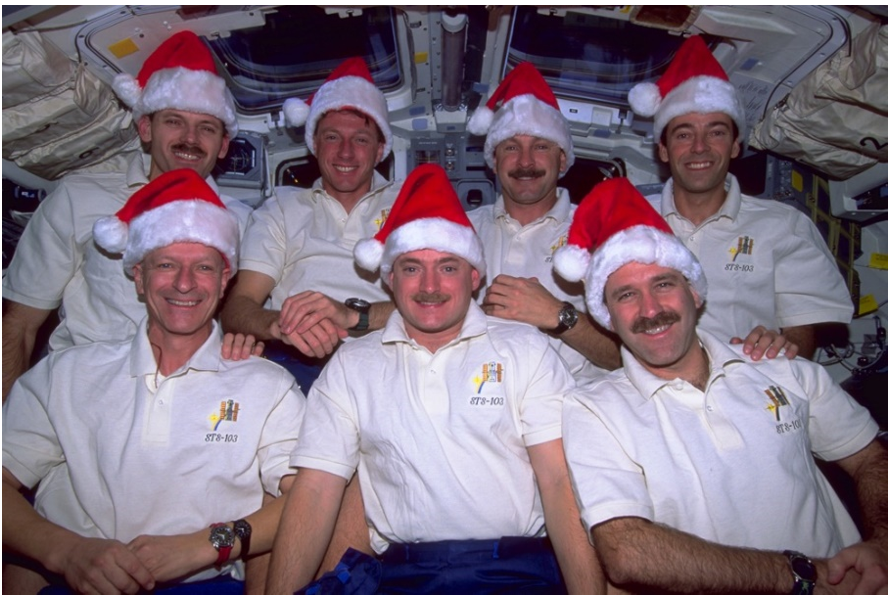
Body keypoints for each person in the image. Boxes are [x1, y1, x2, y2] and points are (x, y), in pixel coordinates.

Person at [266, 164, 603, 594]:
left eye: (447, 267)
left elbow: (558, 483)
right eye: (411, 268)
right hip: (401, 575)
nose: (429, 286)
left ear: (474, 277)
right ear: (389, 279)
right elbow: (314, 492)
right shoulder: (352, 365)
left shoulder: (525, 349)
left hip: (516, 570)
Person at [553, 177, 887, 594]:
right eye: (625, 295)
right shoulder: (592, 409)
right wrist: (804, 576)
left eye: (663, 285)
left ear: (695, 293)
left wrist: (883, 543)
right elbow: (628, 551)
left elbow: (872, 459)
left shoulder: (782, 369)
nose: (650, 310)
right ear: (607, 317)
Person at [2, 169, 304, 594]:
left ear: (223, 282)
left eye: (202, 267)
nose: (184, 283)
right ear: (139, 278)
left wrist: (207, 545)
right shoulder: (65, 374)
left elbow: (306, 498)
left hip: (205, 582)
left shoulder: (267, 387)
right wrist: (66, 552)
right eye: (166, 265)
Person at [2, 30, 254, 402]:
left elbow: (242, 318)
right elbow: (20, 325)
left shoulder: (243, 223)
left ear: (223, 146)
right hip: (82, 393)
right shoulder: (80, 196)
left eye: (206, 127)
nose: (190, 138)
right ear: (145, 128)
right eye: (174, 121)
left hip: (188, 400)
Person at [628, 35, 853, 358]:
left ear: (735, 145)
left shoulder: (784, 226)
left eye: (716, 132)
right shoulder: (628, 223)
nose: (700, 147)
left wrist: (782, 348)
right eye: (684, 134)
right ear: (663, 149)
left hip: (747, 387)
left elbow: (801, 334)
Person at [222, 57, 401, 392]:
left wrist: (354, 317)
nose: (345, 153)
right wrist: (282, 326)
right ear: (314, 145)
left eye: (361, 140)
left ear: (380, 150)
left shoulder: (411, 203)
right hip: (296, 362)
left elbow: (438, 303)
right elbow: (238, 307)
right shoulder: (282, 207)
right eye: (332, 137)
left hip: (388, 362)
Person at [466, 61, 621, 377]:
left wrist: (558, 315)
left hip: (574, 405)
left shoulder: (606, 234)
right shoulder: (460, 230)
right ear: (493, 162)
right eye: (511, 147)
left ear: (562, 160)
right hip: (477, 401)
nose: (525, 162)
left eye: (539, 147)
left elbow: (625, 356)